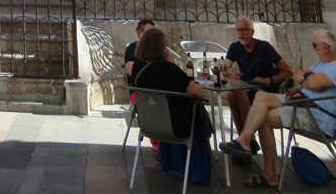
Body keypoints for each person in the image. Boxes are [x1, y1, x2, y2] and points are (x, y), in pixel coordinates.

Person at [221, 28, 336, 189]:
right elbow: (296, 75)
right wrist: (307, 77)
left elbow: (311, 83)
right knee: (260, 96)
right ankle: (245, 140)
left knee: (264, 118)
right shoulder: (321, 65)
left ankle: (269, 174)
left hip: (317, 116)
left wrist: (308, 78)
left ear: (325, 47)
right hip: (300, 102)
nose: (312, 48)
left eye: (314, 44)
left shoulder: (334, 67)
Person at [130, 27, 211, 185]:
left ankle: (173, 164)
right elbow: (200, 92)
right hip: (176, 127)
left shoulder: (137, 69)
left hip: (150, 125)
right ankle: (198, 171)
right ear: (162, 47)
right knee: (198, 113)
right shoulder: (169, 70)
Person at [225, 16, 293, 139]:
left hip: (264, 90)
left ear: (252, 31)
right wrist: (230, 73)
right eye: (238, 30)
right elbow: (224, 68)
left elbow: (288, 72)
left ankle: (247, 138)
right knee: (231, 94)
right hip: (246, 88)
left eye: (244, 30)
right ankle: (245, 139)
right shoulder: (235, 47)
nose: (241, 33)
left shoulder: (264, 47)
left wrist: (269, 79)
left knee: (237, 92)